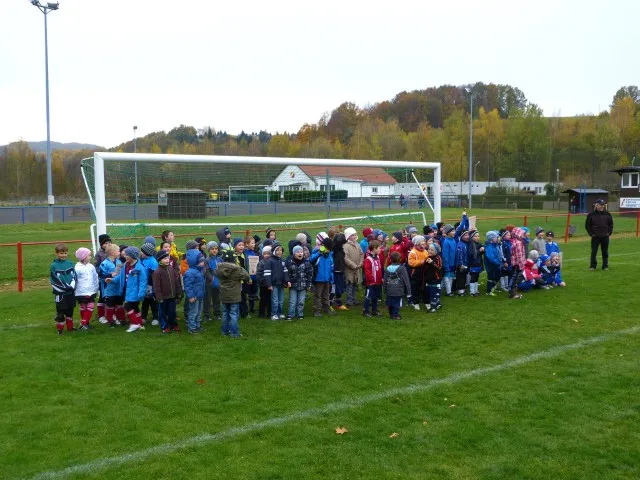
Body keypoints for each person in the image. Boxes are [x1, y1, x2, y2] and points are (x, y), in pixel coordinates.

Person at [215, 248, 250, 338]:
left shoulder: (219, 268)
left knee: (225, 313)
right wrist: (239, 267)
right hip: (234, 295)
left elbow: (216, 274)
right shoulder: (237, 269)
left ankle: (224, 331)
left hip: (223, 295)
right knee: (233, 314)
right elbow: (246, 276)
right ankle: (234, 333)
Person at [153, 249, 183, 333]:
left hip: (172, 296)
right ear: (159, 260)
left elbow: (176, 281)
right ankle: (165, 326)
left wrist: (178, 292)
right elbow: (157, 287)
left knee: (172, 312)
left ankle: (173, 325)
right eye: (164, 258)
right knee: (163, 313)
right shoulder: (157, 272)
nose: (167, 260)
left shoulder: (171, 269)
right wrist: (159, 297)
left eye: (168, 258)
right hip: (163, 297)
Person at [50, 243, 78, 334]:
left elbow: (74, 276)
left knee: (70, 311)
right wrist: (65, 287)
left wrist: (72, 286)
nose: (63, 255)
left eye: (65, 253)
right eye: (61, 253)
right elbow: (54, 280)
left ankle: (70, 328)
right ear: (56, 253)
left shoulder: (70, 263)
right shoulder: (53, 265)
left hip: (70, 292)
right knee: (60, 312)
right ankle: (60, 330)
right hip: (60, 294)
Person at [120, 246, 148, 333]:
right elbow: (121, 276)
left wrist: (141, 293)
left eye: (127, 255)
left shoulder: (140, 268)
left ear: (132, 256)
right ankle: (140, 324)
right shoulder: (126, 265)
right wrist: (112, 280)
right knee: (135, 308)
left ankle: (135, 323)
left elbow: (143, 282)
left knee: (127, 306)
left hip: (135, 292)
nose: (125, 256)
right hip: (127, 291)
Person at [98, 243, 125, 327]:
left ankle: (121, 319)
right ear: (112, 253)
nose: (120, 252)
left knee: (119, 304)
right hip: (109, 289)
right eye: (118, 251)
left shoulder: (119, 262)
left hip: (118, 288)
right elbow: (101, 275)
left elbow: (120, 273)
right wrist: (110, 275)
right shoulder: (104, 264)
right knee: (110, 305)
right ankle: (110, 321)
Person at [74, 247, 99, 331]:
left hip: (91, 290)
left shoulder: (91, 267)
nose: (90, 257)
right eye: (89, 255)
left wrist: (96, 287)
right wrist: (74, 290)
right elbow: (74, 280)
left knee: (91, 305)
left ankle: (84, 323)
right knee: (83, 306)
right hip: (81, 291)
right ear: (83, 257)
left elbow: (95, 277)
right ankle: (84, 323)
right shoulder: (77, 268)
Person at [264, 243, 291, 321]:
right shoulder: (269, 261)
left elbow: (285, 272)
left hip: (281, 284)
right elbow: (267, 274)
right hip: (274, 284)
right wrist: (269, 284)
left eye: (281, 250)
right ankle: (274, 314)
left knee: (281, 300)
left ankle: (280, 313)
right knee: (275, 300)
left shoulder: (283, 261)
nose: (279, 252)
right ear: (274, 251)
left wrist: (287, 281)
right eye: (277, 250)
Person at [286, 245, 313, 320]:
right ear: (294, 254)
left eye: (301, 252)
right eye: (298, 252)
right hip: (293, 286)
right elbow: (287, 274)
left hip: (303, 285)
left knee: (301, 301)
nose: (300, 253)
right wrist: (288, 281)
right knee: (292, 301)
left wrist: (309, 285)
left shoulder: (307, 263)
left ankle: (300, 314)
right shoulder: (290, 262)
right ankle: (290, 315)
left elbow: (310, 274)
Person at [585, 199, 613, 270]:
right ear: (596, 205)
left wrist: (609, 233)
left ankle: (605, 266)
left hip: (605, 236)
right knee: (594, 252)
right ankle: (593, 266)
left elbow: (610, 224)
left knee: (605, 252)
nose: (602, 206)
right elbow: (587, 225)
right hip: (595, 237)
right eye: (601, 205)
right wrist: (591, 234)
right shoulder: (591, 215)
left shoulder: (608, 214)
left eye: (603, 205)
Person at [183, 249, 206, 334]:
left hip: (200, 296)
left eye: (203, 261)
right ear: (194, 262)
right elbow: (188, 286)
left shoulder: (199, 270)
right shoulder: (190, 273)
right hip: (194, 297)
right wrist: (191, 296)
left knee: (199, 312)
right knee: (193, 312)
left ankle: (197, 326)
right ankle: (192, 327)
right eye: (201, 261)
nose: (203, 263)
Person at [310, 237, 334, 317]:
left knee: (326, 295)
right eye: (327, 248)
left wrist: (331, 277)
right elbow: (311, 260)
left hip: (327, 278)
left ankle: (326, 308)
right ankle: (316, 310)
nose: (328, 250)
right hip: (319, 278)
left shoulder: (330, 256)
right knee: (318, 295)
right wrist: (319, 253)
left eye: (329, 249)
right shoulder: (317, 253)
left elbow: (331, 267)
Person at [383, 251, 410, 320]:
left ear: (391, 259)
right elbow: (406, 280)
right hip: (399, 290)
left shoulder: (387, 268)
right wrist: (408, 291)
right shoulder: (402, 268)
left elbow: (385, 280)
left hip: (389, 289)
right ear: (400, 259)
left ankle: (391, 314)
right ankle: (395, 315)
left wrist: (384, 289)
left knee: (390, 302)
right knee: (397, 302)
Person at [139, 242, 159, 326]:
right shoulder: (143, 260)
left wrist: (152, 287)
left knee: (153, 302)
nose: (141, 253)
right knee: (145, 302)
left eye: (142, 251)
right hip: (145, 284)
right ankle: (143, 317)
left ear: (147, 253)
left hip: (151, 285)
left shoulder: (153, 262)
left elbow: (154, 276)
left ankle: (155, 318)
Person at [343, 227, 364, 306]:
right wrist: (353, 265)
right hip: (349, 269)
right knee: (349, 285)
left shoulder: (357, 244)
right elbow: (345, 258)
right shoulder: (345, 246)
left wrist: (360, 263)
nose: (354, 236)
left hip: (357, 268)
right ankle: (349, 300)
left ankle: (354, 298)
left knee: (355, 284)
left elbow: (361, 254)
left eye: (355, 235)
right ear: (348, 236)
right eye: (352, 235)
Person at [362, 240, 383, 317]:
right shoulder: (368, 259)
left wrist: (381, 278)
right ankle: (366, 311)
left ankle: (374, 310)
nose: (380, 249)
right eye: (379, 248)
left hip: (378, 282)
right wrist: (371, 280)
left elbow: (379, 269)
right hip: (371, 283)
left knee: (376, 297)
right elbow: (367, 271)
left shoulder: (377, 257)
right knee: (368, 296)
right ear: (374, 248)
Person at [94, 233, 111, 323]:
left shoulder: (112, 252)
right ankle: (101, 315)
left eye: (109, 242)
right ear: (101, 244)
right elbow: (96, 266)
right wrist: (100, 272)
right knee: (102, 296)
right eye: (105, 243)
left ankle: (111, 313)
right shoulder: (99, 254)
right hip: (103, 279)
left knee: (111, 296)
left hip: (112, 279)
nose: (108, 244)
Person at [203, 241, 222, 322]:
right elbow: (206, 272)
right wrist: (212, 279)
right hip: (209, 283)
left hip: (218, 283)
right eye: (212, 249)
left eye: (216, 249)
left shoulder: (220, 259)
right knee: (207, 300)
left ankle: (217, 314)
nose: (214, 250)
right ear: (209, 250)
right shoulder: (206, 260)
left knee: (217, 299)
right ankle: (206, 315)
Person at [408, 235, 428, 309]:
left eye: (424, 242)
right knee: (415, 287)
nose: (423, 243)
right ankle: (416, 302)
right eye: (422, 242)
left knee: (424, 286)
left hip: (424, 271)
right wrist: (420, 262)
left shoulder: (425, 251)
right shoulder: (413, 252)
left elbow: (427, 258)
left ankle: (426, 301)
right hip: (416, 271)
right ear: (417, 243)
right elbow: (411, 263)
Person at [424, 242, 443, 312]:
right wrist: (426, 262)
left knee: (434, 293)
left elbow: (439, 267)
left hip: (436, 279)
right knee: (430, 292)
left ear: (436, 251)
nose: (429, 251)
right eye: (429, 249)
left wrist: (432, 262)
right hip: (429, 278)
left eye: (432, 250)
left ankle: (433, 307)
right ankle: (437, 304)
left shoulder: (438, 258)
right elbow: (426, 267)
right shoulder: (428, 257)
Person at [332, 233, 348, 310]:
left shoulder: (341, 250)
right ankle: (331, 304)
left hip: (340, 271)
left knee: (339, 288)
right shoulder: (334, 251)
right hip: (335, 272)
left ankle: (339, 304)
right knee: (334, 288)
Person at [256, 245, 273, 318]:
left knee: (270, 299)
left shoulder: (272, 262)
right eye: (265, 254)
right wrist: (265, 282)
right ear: (262, 254)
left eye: (268, 254)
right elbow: (259, 274)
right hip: (263, 285)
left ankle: (270, 313)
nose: (266, 255)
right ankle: (261, 313)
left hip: (271, 284)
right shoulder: (261, 263)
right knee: (263, 299)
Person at [467, 230, 485, 297]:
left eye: (478, 236)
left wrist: (483, 250)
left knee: (477, 277)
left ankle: (476, 290)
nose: (477, 237)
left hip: (478, 263)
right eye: (475, 236)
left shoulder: (478, 244)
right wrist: (479, 250)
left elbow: (480, 253)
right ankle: (472, 292)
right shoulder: (471, 244)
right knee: (473, 277)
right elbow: (471, 254)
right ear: (472, 237)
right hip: (473, 264)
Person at [483, 231, 501, 296]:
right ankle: (488, 291)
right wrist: (497, 262)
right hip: (490, 265)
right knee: (491, 277)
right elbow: (491, 257)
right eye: (495, 237)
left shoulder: (495, 245)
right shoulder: (489, 246)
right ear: (491, 238)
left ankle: (493, 287)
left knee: (498, 276)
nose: (497, 238)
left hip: (496, 264)